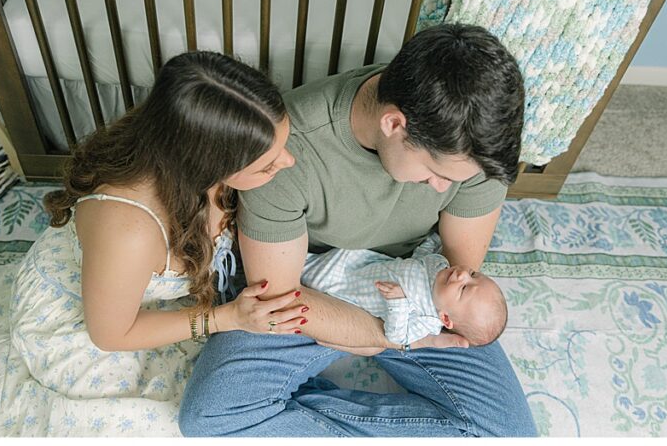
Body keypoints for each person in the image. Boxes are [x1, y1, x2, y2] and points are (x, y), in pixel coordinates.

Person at [180, 24, 537, 436]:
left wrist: (408, 324)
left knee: (509, 435)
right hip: (313, 290)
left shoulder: (477, 145)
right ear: (394, 124)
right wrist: (388, 336)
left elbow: (459, 271)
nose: (443, 189)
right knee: (209, 419)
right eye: (435, 173)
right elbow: (279, 299)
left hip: (421, 294)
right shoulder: (284, 150)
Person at [0, 51, 301, 436]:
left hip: (129, 281)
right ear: (207, 164)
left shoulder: (188, 139)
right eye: (267, 165)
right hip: (98, 325)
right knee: (176, 420)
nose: (289, 162)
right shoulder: (130, 229)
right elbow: (109, 335)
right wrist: (226, 318)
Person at [301, 233, 508, 349]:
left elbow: (397, 336)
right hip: (356, 262)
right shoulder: (440, 268)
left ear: (445, 318)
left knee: (307, 272)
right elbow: (418, 260)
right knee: (308, 256)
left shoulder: (425, 320)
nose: (462, 275)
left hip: (340, 288)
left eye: (463, 288)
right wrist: (433, 240)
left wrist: (399, 302)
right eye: (473, 274)